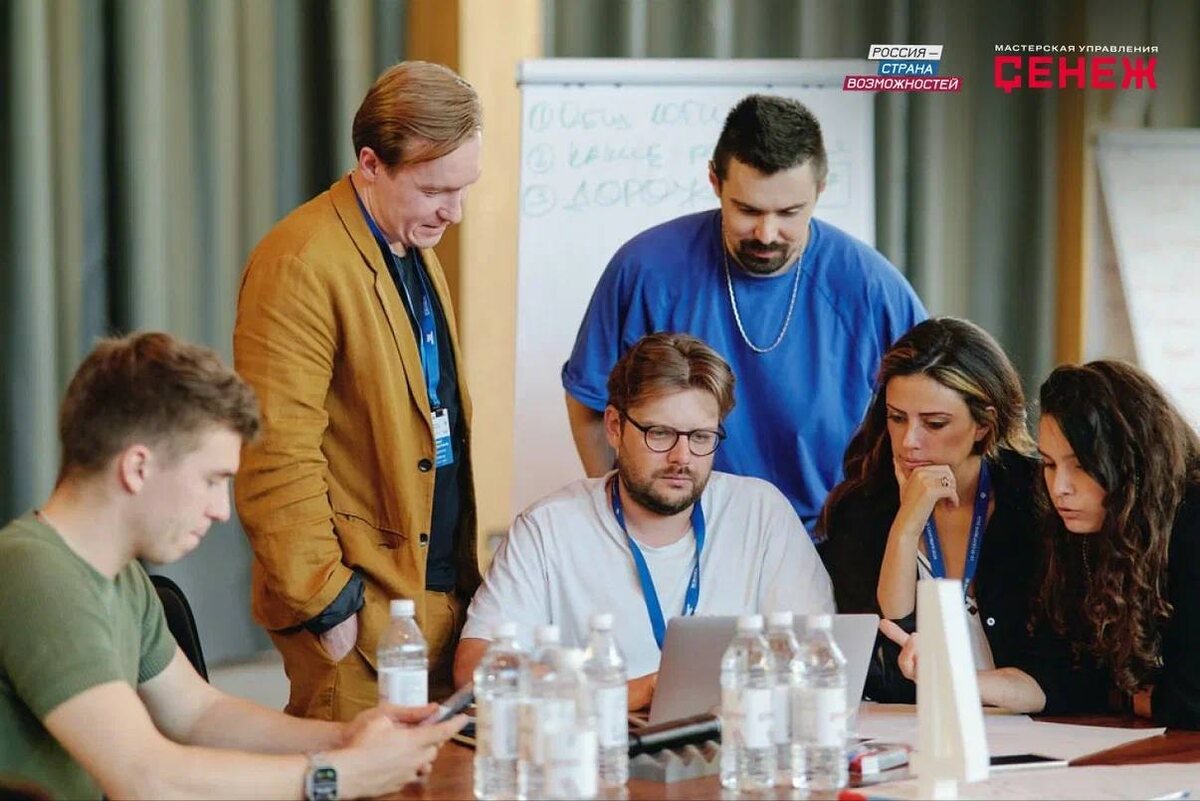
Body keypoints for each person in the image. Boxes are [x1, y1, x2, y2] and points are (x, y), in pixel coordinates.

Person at [0, 332, 465, 800]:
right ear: (138, 467)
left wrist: (344, 738)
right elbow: (145, 779)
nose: (222, 510)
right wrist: (339, 776)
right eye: (211, 480)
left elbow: (198, 714)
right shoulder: (36, 574)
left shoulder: (119, 577)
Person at [234, 61, 484, 719]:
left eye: (464, 188)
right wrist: (326, 601)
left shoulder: (408, 238)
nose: (454, 211)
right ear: (370, 164)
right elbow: (272, 450)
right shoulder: (301, 263)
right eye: (434, 190)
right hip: (359, 616)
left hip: (427, 596)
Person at [561, 93, 927, 532]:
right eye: (747, 210)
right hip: (677, 534)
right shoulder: (644, 270)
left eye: (789, 212)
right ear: (715, 182)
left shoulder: (872, 289)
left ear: (819, 191)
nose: (767, 233)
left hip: (827, 541)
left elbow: (933, 416)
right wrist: (628, 521)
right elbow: (589, 404)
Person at [455, 333, 834, 709]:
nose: (682, 457)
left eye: (701, 437)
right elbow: (475, 668)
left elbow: (817, 655)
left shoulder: (762, 513)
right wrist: (632, 692)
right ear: (614, 427)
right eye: (661, 434)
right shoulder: (547, 529)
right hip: (598, 738)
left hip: (736, 734)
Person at [887, 361, 1200, 727]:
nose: (1059, 488)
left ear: (1134, 462)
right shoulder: (1074, 533)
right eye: (1050, 465)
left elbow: (1190, 698)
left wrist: (1135, 696)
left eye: (1080, 466)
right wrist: (955, 676)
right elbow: (1067, 680)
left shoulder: (1190, 520)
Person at [818, 317, 1041, 703]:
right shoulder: (861, 510)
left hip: (1030, 721)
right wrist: (906, 527)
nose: (909, 441)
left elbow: (1058, 673)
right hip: (912, 723)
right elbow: (891, 650)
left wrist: (959, 681)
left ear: (983, 424)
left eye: (934, 424)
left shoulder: (1036, 499)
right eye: (897, 418)